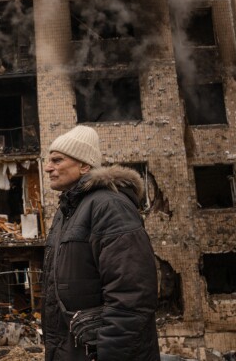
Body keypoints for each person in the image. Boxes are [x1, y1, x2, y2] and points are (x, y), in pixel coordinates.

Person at [42, 126, 159, 361]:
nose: (48, 167)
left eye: (57, 160)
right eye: (49, 160)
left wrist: (110, 354)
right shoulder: (67, 211)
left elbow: (132, 292)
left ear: (84, 166)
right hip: (71, 351)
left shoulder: (109, 207)